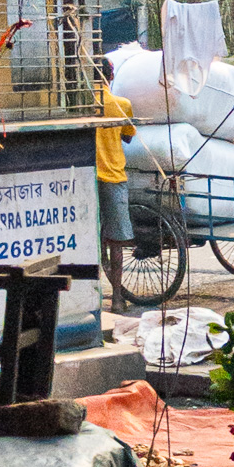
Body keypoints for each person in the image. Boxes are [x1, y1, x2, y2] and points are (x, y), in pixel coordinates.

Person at [94, 60, 138, 313]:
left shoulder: (84, 105)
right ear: (110, 76)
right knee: (116, 243)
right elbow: (128, 136)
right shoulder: (122, 105)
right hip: (113, 176)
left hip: (90, 177)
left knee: (96, 242)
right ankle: (118, 298)